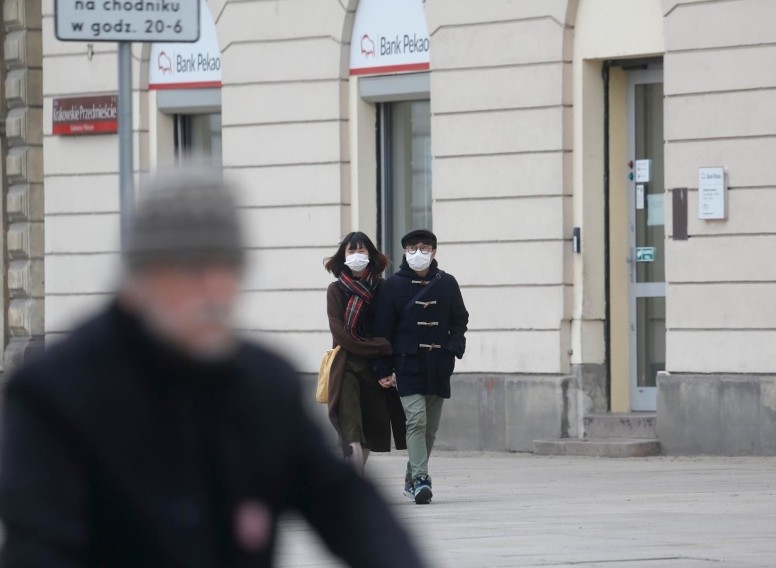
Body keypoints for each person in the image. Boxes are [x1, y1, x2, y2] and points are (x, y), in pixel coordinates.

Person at [0, 167, 426, 568]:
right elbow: (40, 546)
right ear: (138, 278)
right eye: (189, 270)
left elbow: (346, 505)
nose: (213, 291)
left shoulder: (264, 382)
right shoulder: (53, 394)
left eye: (226, 267)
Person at [374, 229, 469, 505]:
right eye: (413, 248)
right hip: (407, 363)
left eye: (425, 247)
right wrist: (383, 368)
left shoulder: (447, 283)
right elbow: (383, 330)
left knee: (430, 429)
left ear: (434, 251)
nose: (419, 252)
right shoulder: (393, 285)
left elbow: (459, 320)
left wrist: (453, 347)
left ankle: (410, 478)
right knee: (415, 420)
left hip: (439, 363)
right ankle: (421, 479)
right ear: (404, 252)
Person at [323, 232, 407, 474]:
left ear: (370, 255)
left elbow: (389, 328)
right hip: (345, 364)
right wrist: (379, 346)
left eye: (361, 251)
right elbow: (340, 335)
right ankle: (356, 480)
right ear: (343, 256)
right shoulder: (336, 290)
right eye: (351, 251)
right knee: (351, 425)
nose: (357, 256)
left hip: (375, 367)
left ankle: (351, 478)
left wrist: (383, 353)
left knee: (371, 425)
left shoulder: (383, 288)